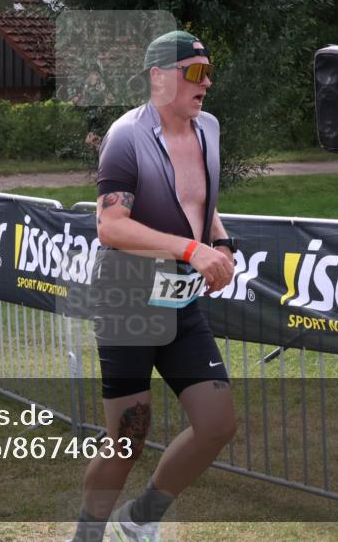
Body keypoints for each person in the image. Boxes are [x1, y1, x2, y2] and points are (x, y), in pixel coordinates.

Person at [71, 31, 237, 542]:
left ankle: (140, 518)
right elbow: (110, 226)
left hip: (178, 297)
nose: (205, 82)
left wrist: (223, 244)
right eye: (194, 72)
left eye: (208, 71)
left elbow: (197, 206)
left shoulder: (208, 127)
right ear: (159, 77)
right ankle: (87, 535)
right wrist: (191, 250)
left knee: (216, 423)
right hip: (127, 296)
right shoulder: (127, 137)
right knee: (128, 438)